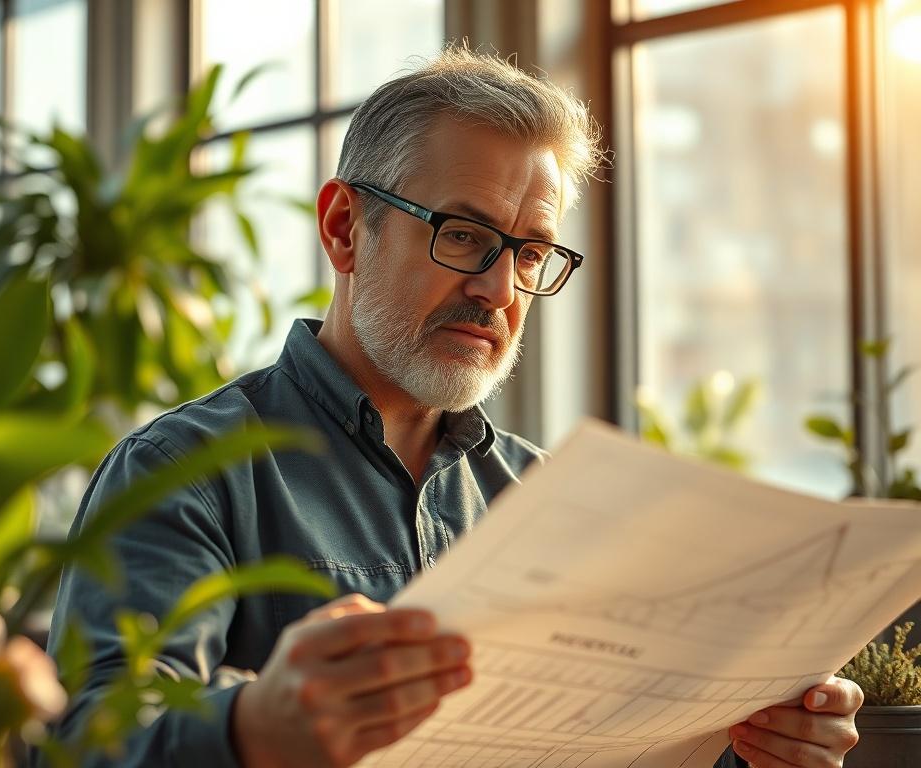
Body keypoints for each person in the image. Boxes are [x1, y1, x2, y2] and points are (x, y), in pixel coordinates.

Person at [43, 47, 863, 768]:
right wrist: (252, 730)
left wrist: (759, 754)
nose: (499, 290)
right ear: (344, 229)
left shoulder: (552, 496)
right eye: (463, 236)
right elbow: (90, 742)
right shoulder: (183, 472)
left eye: (530, 251)